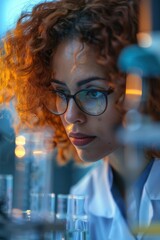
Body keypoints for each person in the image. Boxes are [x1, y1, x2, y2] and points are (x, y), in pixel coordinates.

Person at [1, 0, 160, 239]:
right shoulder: (82, 198)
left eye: (93, 93)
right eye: (60, 93)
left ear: (136, 87)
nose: (70, 115)